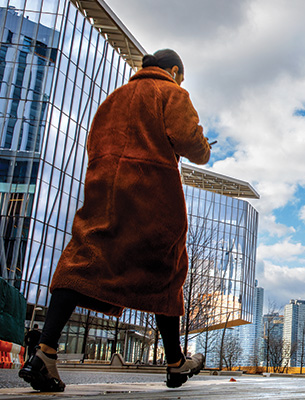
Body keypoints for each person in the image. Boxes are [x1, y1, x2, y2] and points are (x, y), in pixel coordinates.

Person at [19, 49, 211, 392]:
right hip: (151, 193)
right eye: (181, 76)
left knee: (83, 259)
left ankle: (45, 352)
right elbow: (191, 144)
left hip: (105, 188)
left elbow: (95, 143)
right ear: (174, 70)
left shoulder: (113, 98)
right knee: (165, 270)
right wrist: (201, 146)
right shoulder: (172, 92)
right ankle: (175, 363)